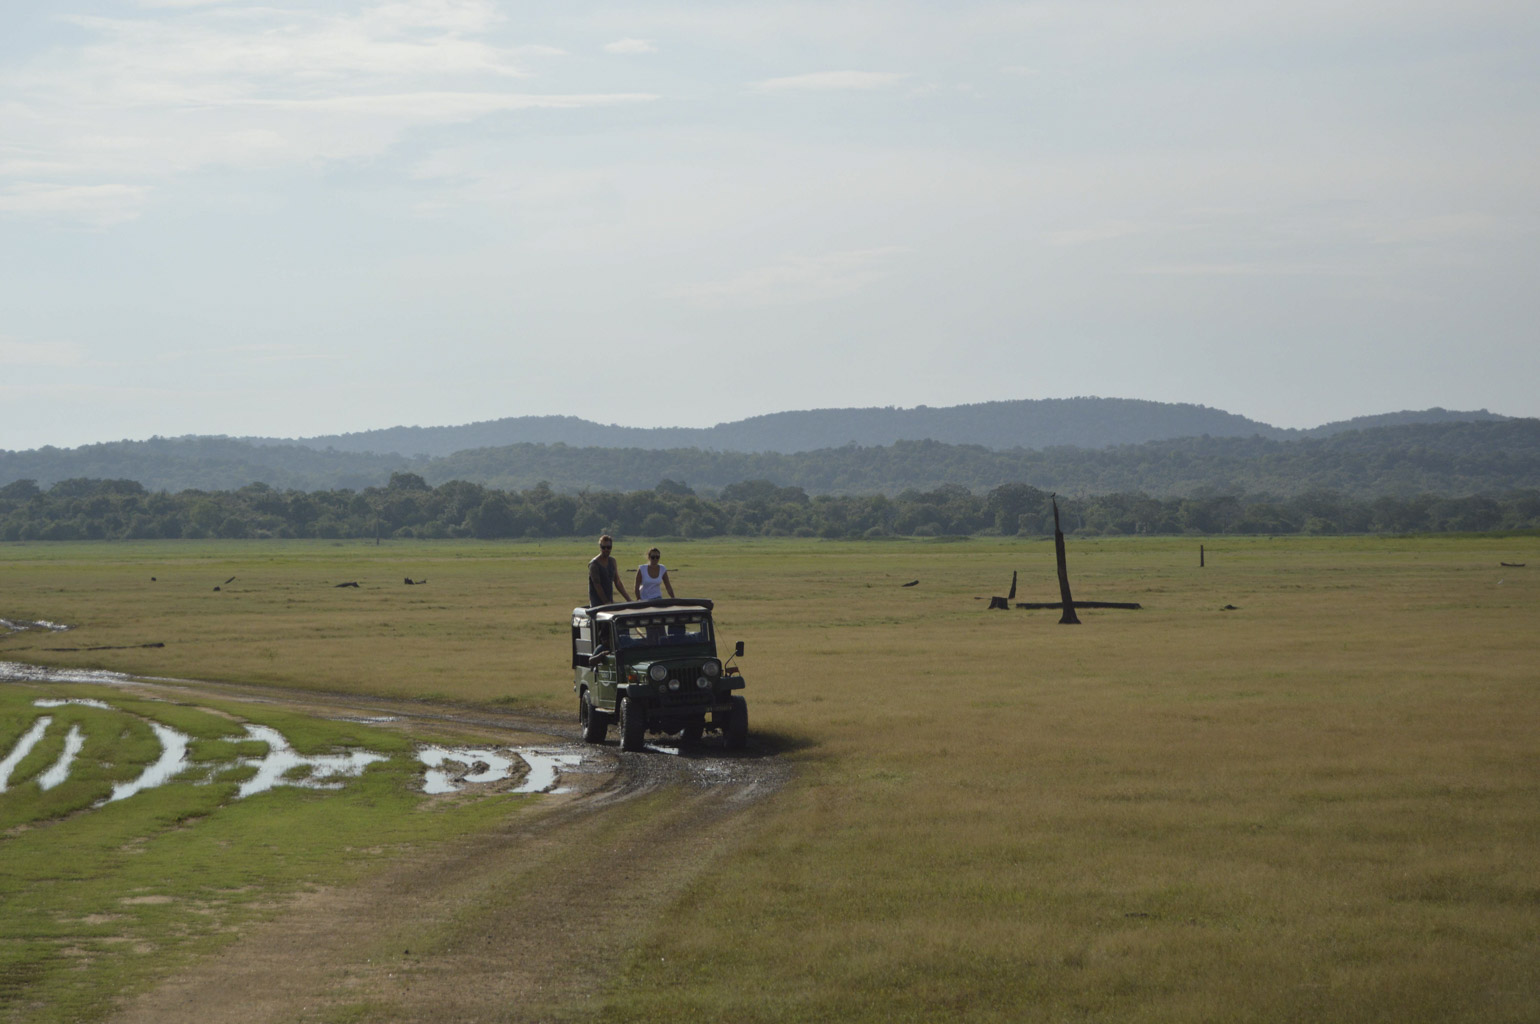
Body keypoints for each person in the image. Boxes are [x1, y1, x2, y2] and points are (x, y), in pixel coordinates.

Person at [588, 535, 630, 606]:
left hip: (609, 603)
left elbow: (617, 582)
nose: (606, 549)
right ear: (600, 547)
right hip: (597, 605)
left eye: (608, 547)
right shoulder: (594, 564)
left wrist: (628, 599)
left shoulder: (612, 561)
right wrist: (606, 602)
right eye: (603, 547)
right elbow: (597, 585)